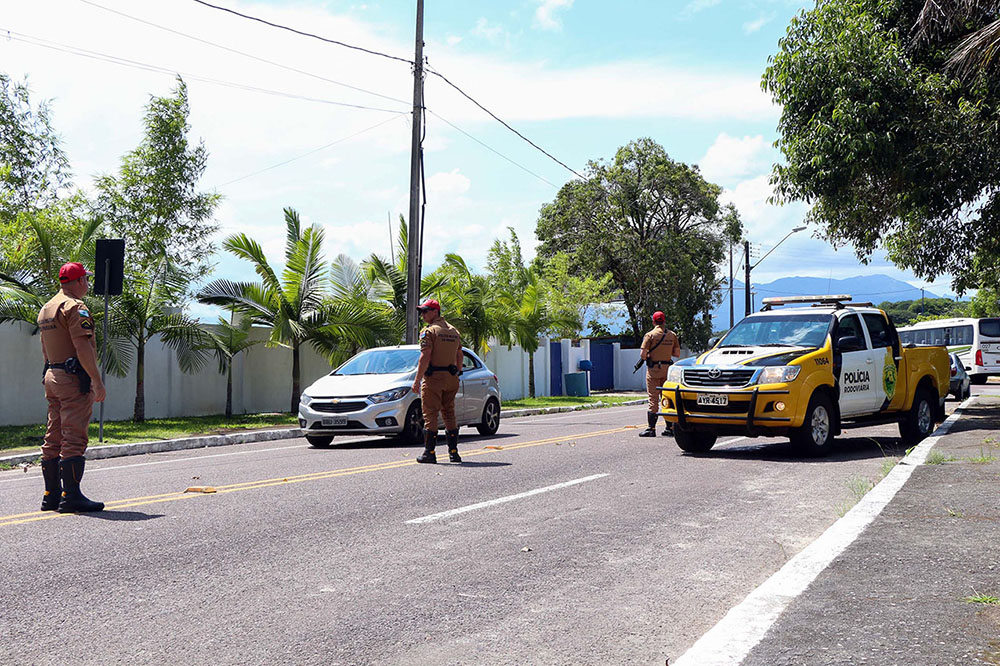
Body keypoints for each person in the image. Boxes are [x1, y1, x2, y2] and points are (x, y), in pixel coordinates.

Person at [36, 262, 107, 512]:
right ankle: (72, 496)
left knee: (53, 437)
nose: (87, 284)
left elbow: (45, 348)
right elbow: (83, 346)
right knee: (74, 437)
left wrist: (49, 371)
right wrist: (97, 381)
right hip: (72, 378)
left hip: (52, 375)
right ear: (78, 282)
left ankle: (51, 495)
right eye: (86, 280)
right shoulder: (75, 307)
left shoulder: (47, 308)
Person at [410, 299, 464, 464]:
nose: (423, 315)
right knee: (449, 413)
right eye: (422, 312)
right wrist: (458, 371)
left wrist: (417, 380)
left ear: (435, 312)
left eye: (426, 311)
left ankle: (429, 452)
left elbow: (425, 356)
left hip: (434, 378)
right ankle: (454, 453)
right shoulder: (454, 331)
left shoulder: (429, 331)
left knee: (430, 414)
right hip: (451, 377)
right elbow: (460, 355)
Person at [638, 311, 681, 437]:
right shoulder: (672, 335)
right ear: (664, 321)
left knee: (653, 399)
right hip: (667, 370)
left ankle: (651, 428)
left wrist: (651, 355)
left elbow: (643, 354)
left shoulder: (650, 335)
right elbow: (677, 354)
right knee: (666, 398)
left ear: (653, 321)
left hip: (653, 371)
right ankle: (670, 428)